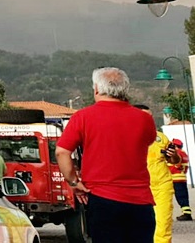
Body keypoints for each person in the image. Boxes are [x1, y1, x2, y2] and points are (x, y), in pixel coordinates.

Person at [56, 67, 157, 243]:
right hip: (140, 201)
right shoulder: (144, 119)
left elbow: (62, 151)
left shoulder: (83, 117)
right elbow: (147, 142)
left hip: (102, 199)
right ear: (125, 89)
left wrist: (73, 182)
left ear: (96, 89)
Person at [135, 104, 180, 243]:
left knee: (163, 225)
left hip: (162, 187)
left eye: (151, 117)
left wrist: (172, 155)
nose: (150, 120)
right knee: (139, 226)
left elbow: (175, 160)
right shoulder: (124, 137)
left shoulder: (160, 137)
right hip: (137, 188)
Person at [170, 138, 192, 221]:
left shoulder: (177, 153)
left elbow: (176, 162)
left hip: (175, 178)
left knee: (180, 197)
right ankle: (187, 213)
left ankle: (186, 214)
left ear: (175, 145)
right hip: (182, 177)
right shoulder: (184, 153)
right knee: (183, 196)